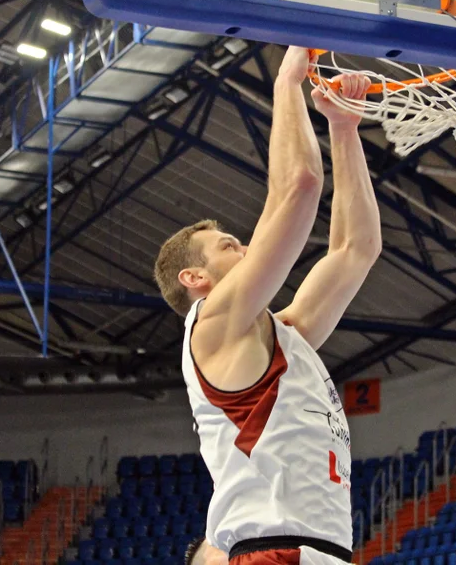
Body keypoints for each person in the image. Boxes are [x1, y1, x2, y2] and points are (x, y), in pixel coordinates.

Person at [154, 46, 381, 565]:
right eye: (230, 244)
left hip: (321, 551)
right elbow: (299, 186)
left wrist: (344, 130)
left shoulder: (285, 335)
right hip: (273, 552)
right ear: (195, 278)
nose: (250, 247)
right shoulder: (211, 328)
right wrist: (288, 80)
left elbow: (356, 249)